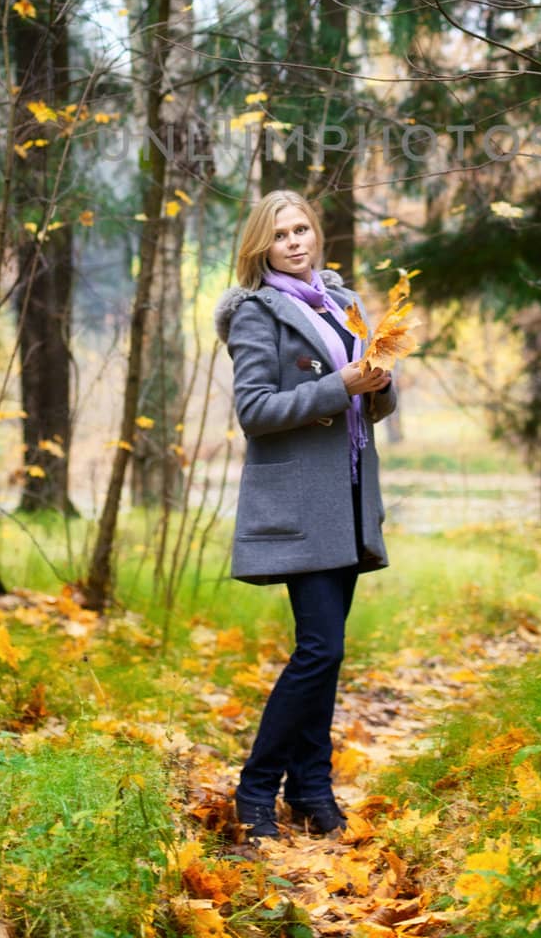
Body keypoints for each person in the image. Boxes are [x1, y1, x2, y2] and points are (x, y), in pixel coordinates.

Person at [214, 189, 396, 841]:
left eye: (301, 229)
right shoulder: (255, 314)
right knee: (321, 648)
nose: (294, 242)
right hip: (297, 502)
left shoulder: (342, 302)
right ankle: (255, 790)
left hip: (346, 496)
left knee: (326, 653)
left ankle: (311, 791)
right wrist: (338, 386)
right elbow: (255, 411)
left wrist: (375, 383)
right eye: (279, 234)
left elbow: (370, 399)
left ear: (316, 233)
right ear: (260, 246)